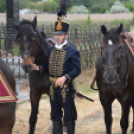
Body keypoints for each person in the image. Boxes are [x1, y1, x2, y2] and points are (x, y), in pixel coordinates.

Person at [31, 10, 81, 134]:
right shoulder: (51, 50)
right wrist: (38, 68)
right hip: (52, 89)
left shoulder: (72, 51)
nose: (57, 37)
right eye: (56, 34)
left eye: (60, 35)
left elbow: (77, 69)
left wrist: (65, 78)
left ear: (65, 36)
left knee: (69, 115)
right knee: (55, 115)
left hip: (65, 89)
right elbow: (48, 66)